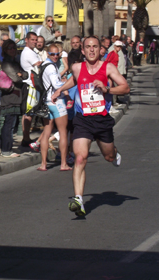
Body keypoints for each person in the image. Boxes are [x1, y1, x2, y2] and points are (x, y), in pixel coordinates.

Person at [51, 36, 130, 217]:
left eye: (95, 46)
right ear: (83, 50)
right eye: (88, 47)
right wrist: (60, 89)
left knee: (109, 157)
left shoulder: (108, 67)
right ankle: (79, 199)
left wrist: (107, 89)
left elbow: (125, 88)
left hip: (102, 120)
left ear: (99, 49)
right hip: (83, 120)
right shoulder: (77, 67)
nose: (92, 50)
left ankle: (114, 152)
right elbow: (76, 80)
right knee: (80, 158)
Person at [36, 44, 71, 172]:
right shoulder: (51, 67)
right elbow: (56, 85)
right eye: (52, 54)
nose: (55, 57)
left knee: (46, 133)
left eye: (58, 54)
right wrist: (68, 83)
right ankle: (63, 163)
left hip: (46, 102)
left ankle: (43, 164)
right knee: (63, 132)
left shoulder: (44, 65)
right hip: (57, 101)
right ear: (48, 53)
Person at [0, 39, 27, 158]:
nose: (12, 50)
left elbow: (25, 74)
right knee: (9, 124)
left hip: (16, 95)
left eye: (14, 48)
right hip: (10, 96)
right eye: (9, 48)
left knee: (11, 124)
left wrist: (21, 75)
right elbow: (16, 78)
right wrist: (20, 75)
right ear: (5, 50)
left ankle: (7, 148)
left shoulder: (15, 62)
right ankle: (6, 150)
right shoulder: (6, 63)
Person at [20, 32, 42, 147]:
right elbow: (38, 65)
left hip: (33, 85)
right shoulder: (28, 53)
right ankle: (25, 137)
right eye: (32, 40)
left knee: (30, 112)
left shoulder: (32, 52)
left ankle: (26, 136)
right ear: (26, 40)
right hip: (30, 85)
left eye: (35, 40)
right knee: (28, 112)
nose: (34, 42)